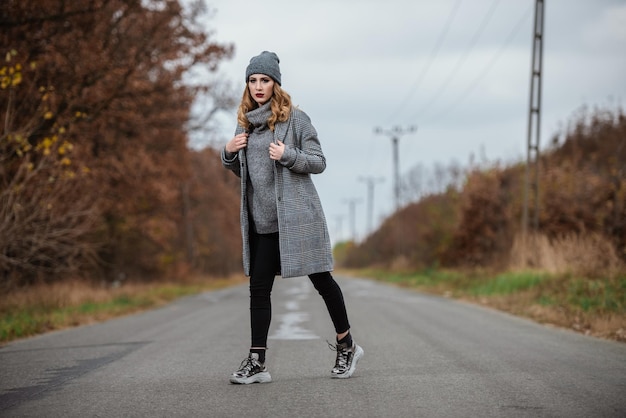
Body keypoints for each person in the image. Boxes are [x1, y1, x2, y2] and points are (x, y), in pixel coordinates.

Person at [221, 51, 363, 384]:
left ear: (275, 84)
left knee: (323, 282)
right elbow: (250, 174)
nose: (258, 86)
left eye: (264, 80)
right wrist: (227, 154)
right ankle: (257, 362)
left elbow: (318, 161)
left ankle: (347, 344)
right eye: (253, 81)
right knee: (258, 290)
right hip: (263, 222)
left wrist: (288, 155)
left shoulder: (296, 120)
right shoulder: (245, 125)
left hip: (298, 220)